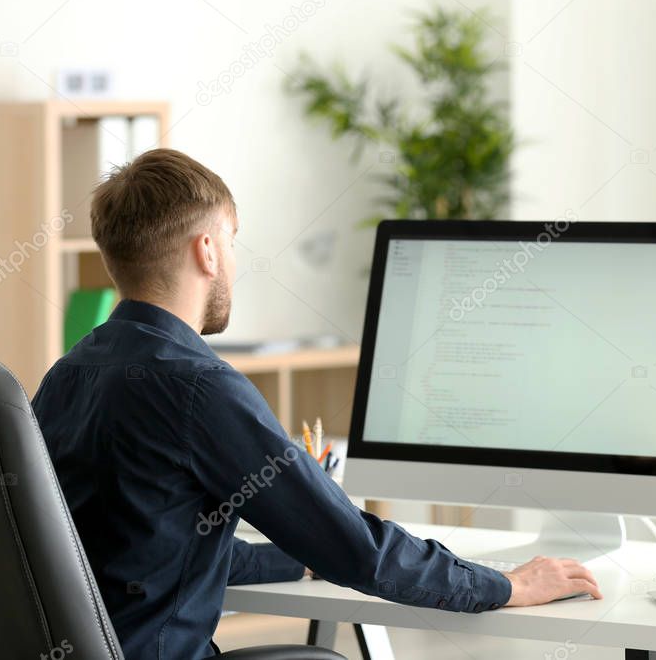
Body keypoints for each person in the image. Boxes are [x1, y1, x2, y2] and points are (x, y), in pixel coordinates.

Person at [32, 149, 601, 660]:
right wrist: (507, 586)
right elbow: (359, 552)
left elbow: (144, 556)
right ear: (207, 250)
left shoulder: (66, 376)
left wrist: (299, 557)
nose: (233, 261)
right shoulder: (199, 387)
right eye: (232, 241)